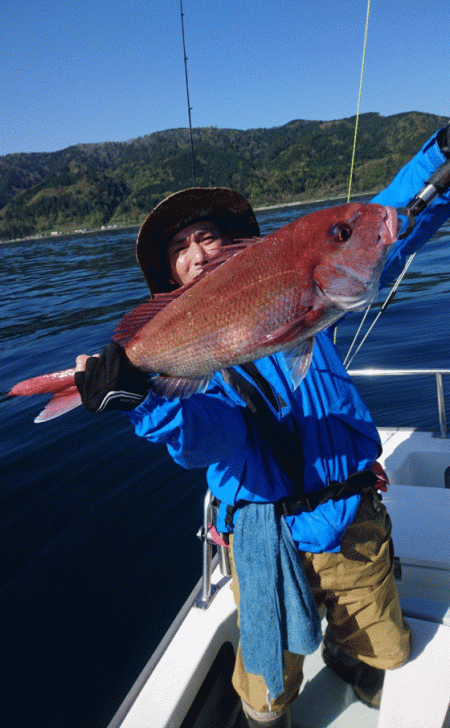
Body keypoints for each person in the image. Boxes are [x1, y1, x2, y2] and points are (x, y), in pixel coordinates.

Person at [75, 125, 450, 727]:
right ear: (170, 279)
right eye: (182, 248)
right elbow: (206, 437)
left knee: (388, 652)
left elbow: (387, 223)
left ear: (241, 250)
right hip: (262, 539)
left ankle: (352, 663)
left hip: (352, 520)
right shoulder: (197, 360)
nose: (199, 253)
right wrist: (140, 400)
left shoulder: (309, 300)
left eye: (209, 237)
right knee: (266, 690)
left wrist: (441, 157)